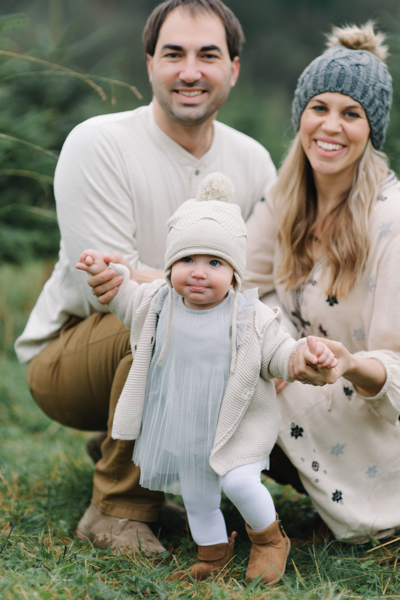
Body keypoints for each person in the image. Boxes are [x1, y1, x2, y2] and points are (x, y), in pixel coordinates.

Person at [14, 0, 276, 555]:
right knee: (171, 314)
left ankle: (145, 449)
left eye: (208, 55)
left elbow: (258, 282)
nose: (189, 71)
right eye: (173, 54)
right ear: (150, 63)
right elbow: (111, 280)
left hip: (183, 351)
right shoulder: (99, 143)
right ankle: (115, 510)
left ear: (232, 68)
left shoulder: (252, 161)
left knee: (213, 324)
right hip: (69, 355)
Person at [242, 23, 400, 542]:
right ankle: (160, 466)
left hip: (381, 422)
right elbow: (243, 281)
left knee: (238, 371)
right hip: (302, 377)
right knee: (215, 338)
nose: (331, 127)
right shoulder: (285, 193)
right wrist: (283, 350)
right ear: (300, 116)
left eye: (351, 114)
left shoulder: (398, 221)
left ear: (371, 128)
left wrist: (351, 363)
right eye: (320, 108)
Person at [77, 174, 336, 584]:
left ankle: (270, 540)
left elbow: (279, 354)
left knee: (238, 482)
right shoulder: (158, 301)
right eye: (186, 261)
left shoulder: (250, 316)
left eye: (214, 263)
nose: (198, 273)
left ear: (233, 272)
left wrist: (303, 354)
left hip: (237, 427)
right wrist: (104, 273)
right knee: (197, 496)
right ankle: (213, 554)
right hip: (186, 427)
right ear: (169, 267)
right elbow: (124, 296)